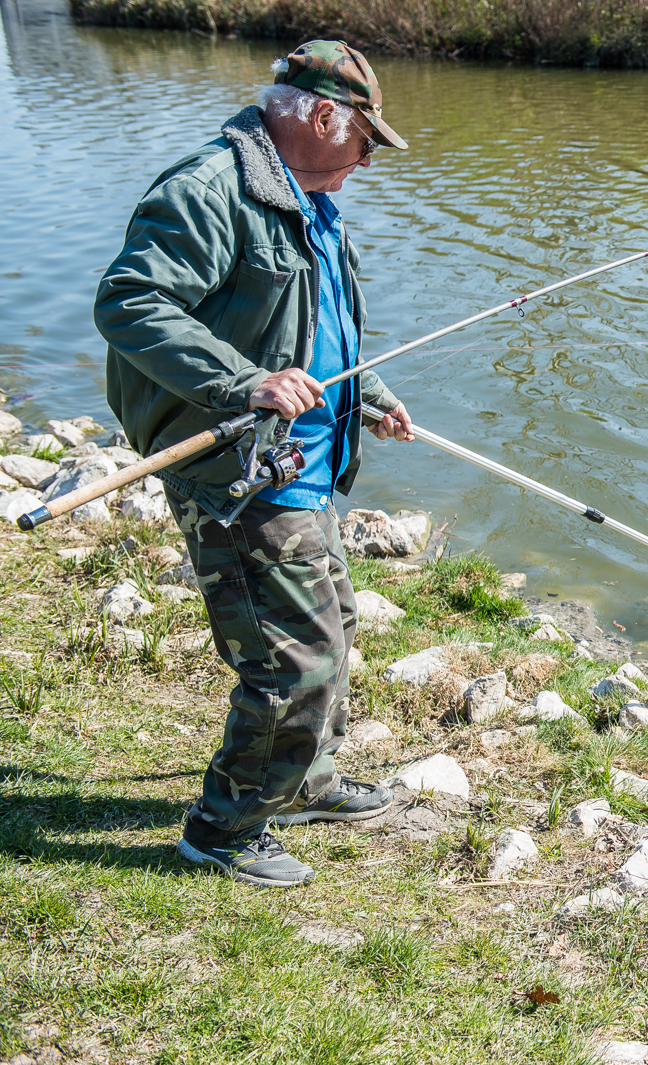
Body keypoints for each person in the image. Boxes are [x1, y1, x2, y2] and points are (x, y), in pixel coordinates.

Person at [95, 40, 417, 888]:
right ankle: (222, 829)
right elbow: (129, 302)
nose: (366, 160)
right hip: (239, 474)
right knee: (292, 661)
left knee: (334, 630)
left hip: (302, 470)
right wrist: (244, 384)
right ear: (321, 117)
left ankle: (302, 784)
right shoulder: (209, 191)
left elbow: (315, 328)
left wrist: (369, 394)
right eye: (365, 142)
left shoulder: (306, 197)